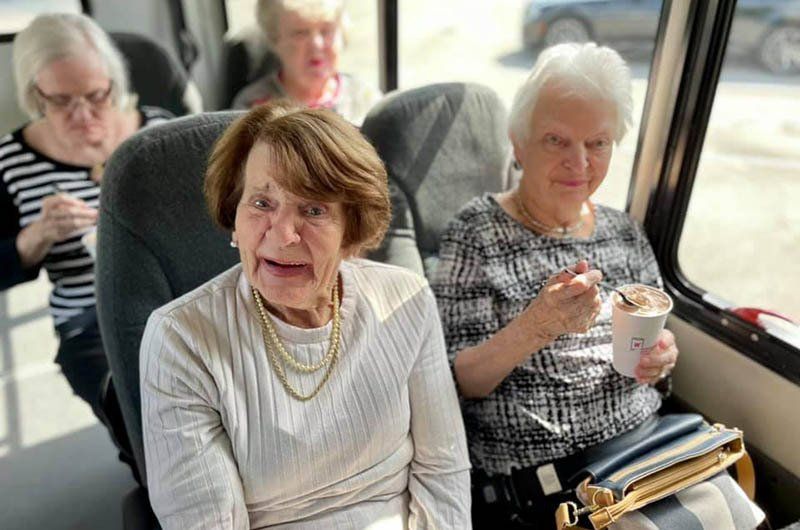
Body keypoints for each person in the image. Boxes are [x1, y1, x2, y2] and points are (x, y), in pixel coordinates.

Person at [140, 101, 471, 529]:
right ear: (235, 218)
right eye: (261, 203)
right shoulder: (180, 340)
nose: (282, 233)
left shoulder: (406, 300)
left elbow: (443, 474)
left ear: (351, 231)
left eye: (314, 210)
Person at [430, 43, 680, 528]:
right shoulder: (476, 231)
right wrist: (538, 326)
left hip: (647, 451)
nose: (580, 163)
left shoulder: (624, 230)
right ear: (518, 145)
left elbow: (659, 361)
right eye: (556, 140)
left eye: (598, 143)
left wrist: (661, 360)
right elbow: (457, 383)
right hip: (552, 482)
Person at [0, 13, 173, 477]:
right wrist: (34, 237)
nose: (82, 115)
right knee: (138, 415)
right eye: (60, 101)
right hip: (88, 317)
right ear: (35, 95)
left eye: (96, 96)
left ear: (113, 83)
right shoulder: (11, 162)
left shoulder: (159, 133)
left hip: (174, 295)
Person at [231, 0, 381, 126]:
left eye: (326, 31)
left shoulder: (365, 99)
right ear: (274, 39)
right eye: (300, 33)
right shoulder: (252, 106)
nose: (317, 44)